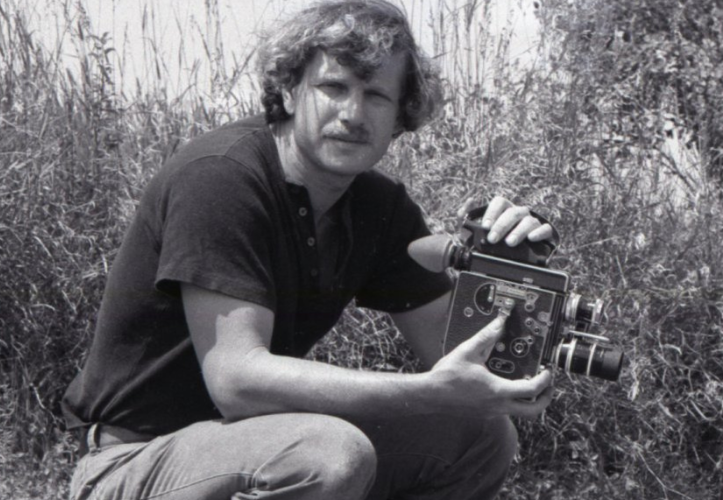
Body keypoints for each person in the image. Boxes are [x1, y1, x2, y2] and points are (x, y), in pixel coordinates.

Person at [60, 1, 556, 498]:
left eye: (377, 96)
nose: (353, 114)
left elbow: (472, 366)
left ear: (400, 117)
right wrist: (426, 393)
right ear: (289, 91)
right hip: (133, 462)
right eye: (333, 87)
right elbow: (236, 382)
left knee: (481, 436)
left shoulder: (378, 208)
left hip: (252, 447)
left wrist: (508, 270)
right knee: (329, 454)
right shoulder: (221, 177)